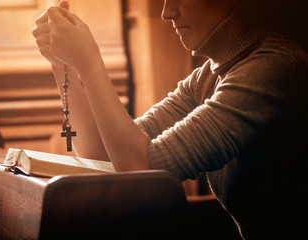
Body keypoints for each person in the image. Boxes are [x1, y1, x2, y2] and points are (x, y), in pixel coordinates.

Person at [33, 0, 308, 238]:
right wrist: (63, 64)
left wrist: (90, 63)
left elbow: (141, 171)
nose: (166, 12)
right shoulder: (208, 77)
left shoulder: (275, 68)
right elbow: (104, 157)